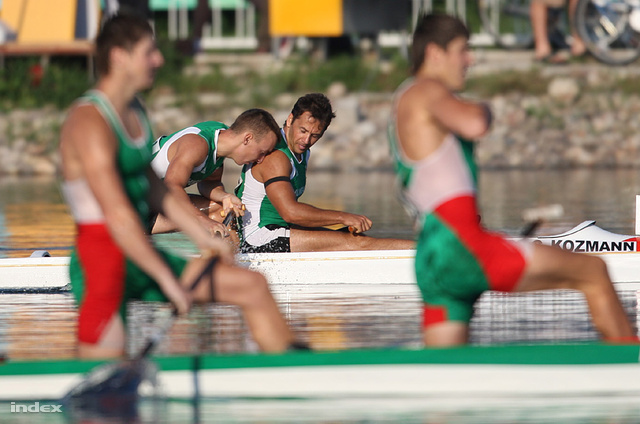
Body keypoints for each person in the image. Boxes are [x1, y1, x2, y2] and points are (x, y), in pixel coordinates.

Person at [388, 13, 635, 346]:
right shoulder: (428, 90)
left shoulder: (404, 100)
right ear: (435, 53)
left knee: (443, 372)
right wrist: (486, 108)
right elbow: (475, 124)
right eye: (463, 50)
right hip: (463, 247)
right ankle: (627, 369)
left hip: (432, 256)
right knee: (593, 272)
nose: (469, 59)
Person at [59, 13, 297, 359]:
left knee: (252, 286)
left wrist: (204, 238)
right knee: (106, 374)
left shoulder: (135, 112)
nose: (160, 59)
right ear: (119, 57)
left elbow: (157, 190)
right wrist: (168, 281)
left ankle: (291, 374)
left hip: (137, 255)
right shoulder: (89, 121)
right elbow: (119, 215)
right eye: (149, 51)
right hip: (102, 260)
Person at [235, 93, 415, 253]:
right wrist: (343, 217)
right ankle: (423, 254)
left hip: (279, 229)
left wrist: (341, 223)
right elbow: (291, 212)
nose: (306, 140)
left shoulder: (301, 150)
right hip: (258, 238)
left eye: (315, 135)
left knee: (352, 238)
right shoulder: (277, 157)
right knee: (358, 245)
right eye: (303, 130)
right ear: (290, 120)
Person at [149, 111, 280, 238]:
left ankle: (229, 257)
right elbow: (172, 186)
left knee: (221, 210)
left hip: (155, 201)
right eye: (262, 152)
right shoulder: (196, 144)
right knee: (211, 217)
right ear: (247, 138)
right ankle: (227, 258)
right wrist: (202, 220)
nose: (261, 159)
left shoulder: (220, 137)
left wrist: (224, 197)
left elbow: (210, 182)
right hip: (134, 207)